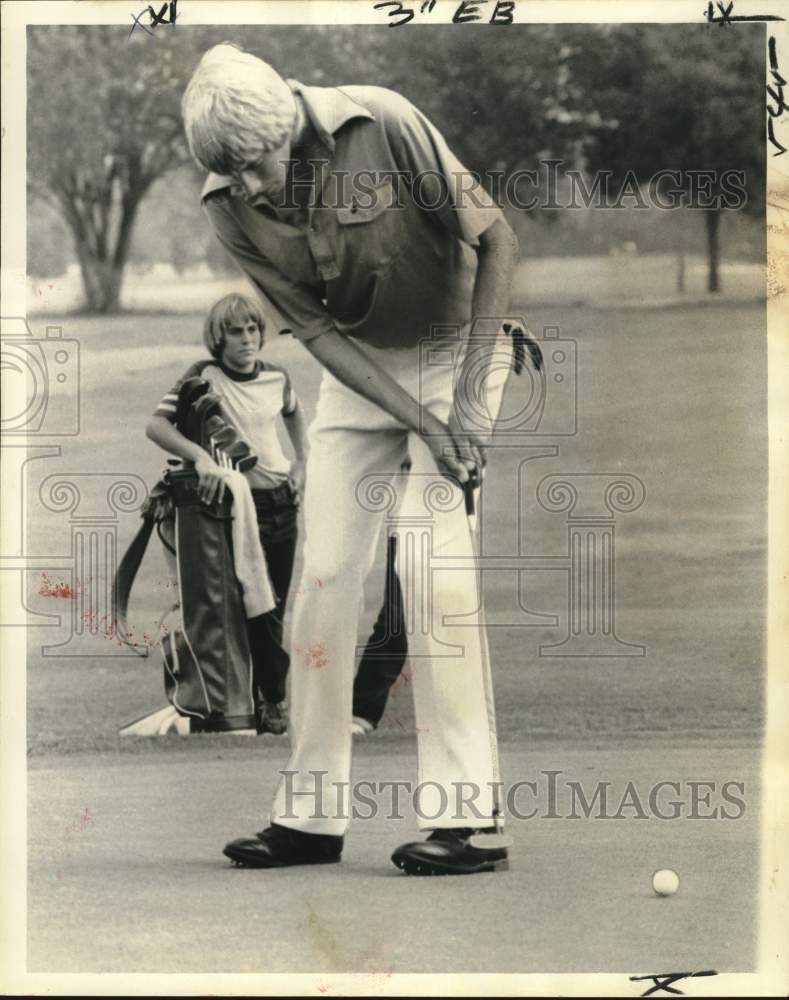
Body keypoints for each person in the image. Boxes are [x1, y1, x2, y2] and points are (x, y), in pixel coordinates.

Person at [181, 43, 534, 875]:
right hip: (362, 375)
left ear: (290, 126)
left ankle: (469, 819)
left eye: (258, 168)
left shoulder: (387, 121)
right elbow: (318, 334)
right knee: (324, 581)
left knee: (431, 564)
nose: (251, 191)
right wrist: (414, 416)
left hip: (457, 353)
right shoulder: (225, 197)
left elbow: (498, 243)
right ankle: (309, 819)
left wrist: (468, 410)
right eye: (234, 178)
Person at [146, 292, 308, 735]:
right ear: (219, 338)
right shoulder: (203, 376)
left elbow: (295, 416)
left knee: (270, 610)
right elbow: (156, 426)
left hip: (280, 504)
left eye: (253, 329)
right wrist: (201, 457)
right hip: (229, 511)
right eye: (235, 331)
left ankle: (270, 699)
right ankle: (245, 702)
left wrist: (301, 463)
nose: (247, 338)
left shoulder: (278, 377)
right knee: (236, 610)